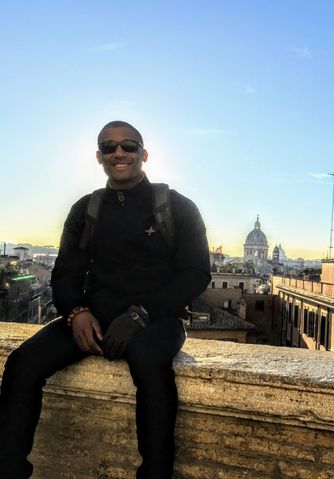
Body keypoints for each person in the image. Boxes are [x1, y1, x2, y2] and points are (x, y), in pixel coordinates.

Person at [0, 121, 211, 479]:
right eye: (109, 147)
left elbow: (196, 273)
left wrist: (141, 314)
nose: (119, 153)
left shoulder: (177, 206)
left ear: (144, 155)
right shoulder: (86, 210)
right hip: (93, 319)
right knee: (21, 364)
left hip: (156, 319)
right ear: (99, 157)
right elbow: (65, 272)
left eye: (128, 146)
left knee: (150, 365)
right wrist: (76, 313)